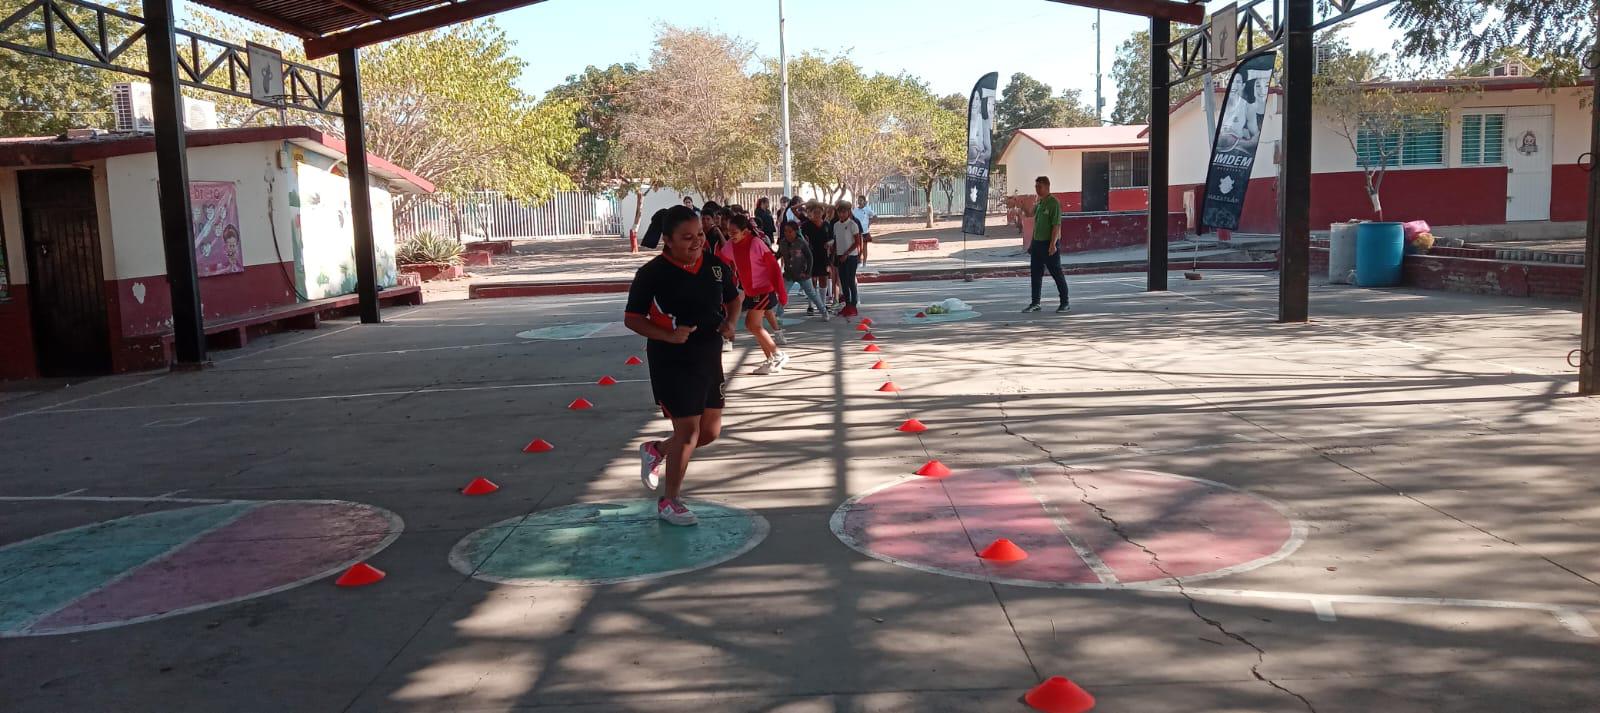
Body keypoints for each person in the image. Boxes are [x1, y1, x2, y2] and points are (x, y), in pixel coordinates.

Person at [625, 205, 741, 526]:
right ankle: (669, 501)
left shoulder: (716, 267)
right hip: (671, 360)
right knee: (688, 431)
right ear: (668, 240)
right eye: (687, 237)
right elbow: (632, 318)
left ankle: (657, 449)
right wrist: (669, 335)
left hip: (708, 356)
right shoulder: (652, 274)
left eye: (700, 235)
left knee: (710, 432)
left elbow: (735, 297)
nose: (696, 242)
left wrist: (731, 322)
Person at [716, 214, 789, 374]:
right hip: (750, 290)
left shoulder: (756, 243)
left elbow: (774, 268)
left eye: (734, 232)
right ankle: (771, 359)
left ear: (745, 231)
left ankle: (778, 354)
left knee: (752, 324)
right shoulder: (730, 245)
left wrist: (781, 292)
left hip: (763, 289)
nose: (731, 235)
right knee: (754, 326)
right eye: (729, 231)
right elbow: (720, 258)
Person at [1023, 176, 1070, 313]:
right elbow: (1032, 218)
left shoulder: (1053, 203)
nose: (1037, 189)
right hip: (1037, 244)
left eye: (1039, 186)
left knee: (1057, 273)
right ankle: (1035, 303)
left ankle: (1065, 302)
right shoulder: (1040, 203)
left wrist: (1053, 244)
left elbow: (1056, 225)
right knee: (1035, 274)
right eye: (1036, 186)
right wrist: (1022, 204)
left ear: (1047, 186)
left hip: (1049, 244)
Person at [774, 220, 829, 322]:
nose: (787, 234)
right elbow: (778, 255)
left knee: (812, 294)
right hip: (788, 275)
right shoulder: (783, 243)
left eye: (790, 231)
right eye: (785, 231)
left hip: (802, 274)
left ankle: (823, 311)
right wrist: (771, 259)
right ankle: (778, 315)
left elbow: (809, 257)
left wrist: (808, 272)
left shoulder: (801, 243)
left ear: (796, 232)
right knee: (783, 294)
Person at [830, 200, 865, 318]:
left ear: (848, 212)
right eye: (840, 212)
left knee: (850, 281)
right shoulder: (835, 225)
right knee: (843, 281)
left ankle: (853, 305)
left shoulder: (853, 225)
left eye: (844, 212)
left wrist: (847, 253)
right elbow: (836, 240)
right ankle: (847, 304)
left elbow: (857, 242)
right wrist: (833, 251)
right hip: (840, 256)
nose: (842, 215)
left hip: (851, 256)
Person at [800, 202, 834, 313]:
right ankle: (811, 305)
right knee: (812, 280)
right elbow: (800, 239)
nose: (817, 214)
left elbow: (832, 238)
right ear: (810, 213)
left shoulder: (826, 225)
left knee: (823, 278)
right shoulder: (805, 226)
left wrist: (829, 243)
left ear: (822, 213)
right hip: (810, 256)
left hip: (823, 256)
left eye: (819, 212)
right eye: (815, 212)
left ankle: (822, 305)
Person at [853, 194, 877, 265]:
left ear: (864, 201)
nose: (859, 202)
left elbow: (875, 216)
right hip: (857, 231)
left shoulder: (867, 209)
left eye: (861, 200)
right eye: (858, 200)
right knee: (858, 247)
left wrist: (869, 223)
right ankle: (859, 261)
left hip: (865, 231)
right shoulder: (855, 210)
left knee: (864, 247)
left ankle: (865, 262)